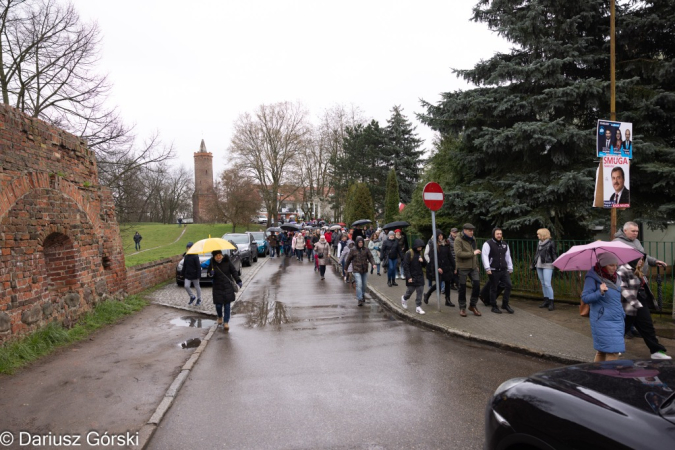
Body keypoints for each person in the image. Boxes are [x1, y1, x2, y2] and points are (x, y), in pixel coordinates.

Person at [617, 258, 671, 360]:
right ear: (633, 259)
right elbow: (622, 289)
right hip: (629, 304)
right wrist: (636, 303)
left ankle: (656, 351)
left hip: (640, 301)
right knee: (623, 327)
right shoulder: (622, 270)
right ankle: (615, 347)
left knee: (647, 326)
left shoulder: (637, 269)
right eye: (640, 259)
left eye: (642, 259)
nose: (642, 261)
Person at [581, 252, 625, 362]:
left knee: (602, 350)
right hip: (602, 319)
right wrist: (599, 292)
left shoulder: (616, 277)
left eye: (616, 265)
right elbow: (585, 298)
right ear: (603, 265)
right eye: (611, 265)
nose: (614, 268)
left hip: (617, 319)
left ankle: (598, 376)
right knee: (613, 351)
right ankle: (609, 377)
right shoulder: (592, 278)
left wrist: (622, 313)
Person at [203, 249, 242, 331]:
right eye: (216, 256)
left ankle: (226, 322)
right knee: (218, 305)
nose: (218, 257)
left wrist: (238, 280)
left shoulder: (227, 261)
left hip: (227, 286)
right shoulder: (212, 263)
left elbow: (234, 271)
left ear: (222, 255)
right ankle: (220, 316)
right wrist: (210, 274)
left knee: (227, 305)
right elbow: (208, 274)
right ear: (214, 257)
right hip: (217, 287)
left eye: (219, 255)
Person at [481, 228, 514, 314]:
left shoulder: (504, 244)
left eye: (500, 234)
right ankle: (493, 305)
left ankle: (505, 304)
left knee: (509, 285)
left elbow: (508, 256)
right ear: (493, 234)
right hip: (493, 270)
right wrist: (487, 268)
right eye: (497, 234)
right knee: (494, 287)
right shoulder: (488, 244)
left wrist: (510, 267)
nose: (499, 235)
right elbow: (484, 256)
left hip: (503, 270)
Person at [454, 223, 482, 317]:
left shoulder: (473, 239)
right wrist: (472, 253)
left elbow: (476, 253)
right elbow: (458, 253)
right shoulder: (458, 239)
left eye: (472, 230)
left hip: (473, 267)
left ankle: (472, 306)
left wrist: (477, 265)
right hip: (462, 267)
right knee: (462, 288)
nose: (472, 232)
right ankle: (462, 307)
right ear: (464, 230)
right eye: (470, 231)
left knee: (477, 285)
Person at [424, 230, 456, 307]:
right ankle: (427, 294)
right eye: (439, 235)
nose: (440, 237)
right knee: (438, 284)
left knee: (448, 283)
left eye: (441, 235)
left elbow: (450, 256)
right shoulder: (433, 245)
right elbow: (432, 258)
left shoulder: (446, 244)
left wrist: (454, 267)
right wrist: (437, 267)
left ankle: (447, 300)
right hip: (439, 267)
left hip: (447, 267)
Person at [345, 237, 376, 306]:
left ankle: (362, 295)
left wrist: (373, 264)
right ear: (357, 243)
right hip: (356, 269)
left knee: (364, 285)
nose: (360, 244)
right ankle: (359, 299)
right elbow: (348, 259)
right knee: (359, 283)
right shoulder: (353, 250)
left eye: (362, 242)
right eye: (359, 242)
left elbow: (370, 257)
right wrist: (346, 268)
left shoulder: (366, 250)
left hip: (364, 269)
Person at [532, 228, 558, 310]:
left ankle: (551, 302)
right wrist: (534, 263)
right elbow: (537, 253)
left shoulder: (551, 243)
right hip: (539, 265)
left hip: (548, 264)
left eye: (538, 234)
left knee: (547, 283)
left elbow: (554, 254)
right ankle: (546, 300)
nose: (537, 235)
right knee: (543, 283)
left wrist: (558, 264)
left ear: (543, 235)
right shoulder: (539, 243)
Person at [401, 239, 427, 314]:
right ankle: (404, 298)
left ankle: (418, 306)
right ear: (415, 246)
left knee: (420, 291)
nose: (420, 249)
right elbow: (406, 265)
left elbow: (425, 265)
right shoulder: (409, 253)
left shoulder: (421, 253)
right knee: (410, 291)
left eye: (421, 247)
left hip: (420, 275)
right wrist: (408, 277)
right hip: (412, 275)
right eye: (419, 247)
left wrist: (423, 261)